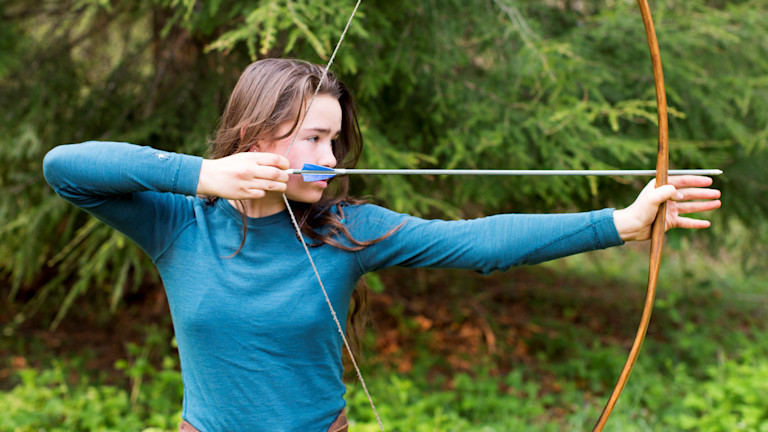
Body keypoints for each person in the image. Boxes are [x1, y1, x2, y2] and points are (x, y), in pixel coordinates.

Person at [42, 58, 721, 432]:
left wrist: (622, 224)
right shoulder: (180, 222)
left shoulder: (348, 229)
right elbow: (66, 167)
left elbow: (476, 243)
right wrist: (203, 175)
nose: (329, 156)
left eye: (335, 141)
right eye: (312, 138)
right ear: (256, 135)